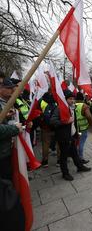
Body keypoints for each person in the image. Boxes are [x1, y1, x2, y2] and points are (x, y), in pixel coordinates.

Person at [0, 77, 26, 231]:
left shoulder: (6, 103)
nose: (12, 91)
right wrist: (15, 129)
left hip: (5, 150)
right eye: (9, 88)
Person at [50, 90, 91, 181]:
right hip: (63, 137)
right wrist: (65, 122)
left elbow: (73, 122)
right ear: (65, 99)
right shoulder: (59, 108)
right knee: (64, 156)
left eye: (73, 99)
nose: (72, 101)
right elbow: (52, 121)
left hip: (71, 135)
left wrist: (76, 133)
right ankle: (65, 173)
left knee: (74, 153)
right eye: (70, 99)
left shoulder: (72, 108)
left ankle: (79, 167)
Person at [75, 92, 92, 163]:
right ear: (82, 98)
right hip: (82, 129)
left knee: (76, 142)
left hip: (75, 128)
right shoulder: (84, 106)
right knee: (81, 143)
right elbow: (89, 116)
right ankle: (80, 158)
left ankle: (75, 155)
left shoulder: (73, 105)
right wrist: (91, 123)